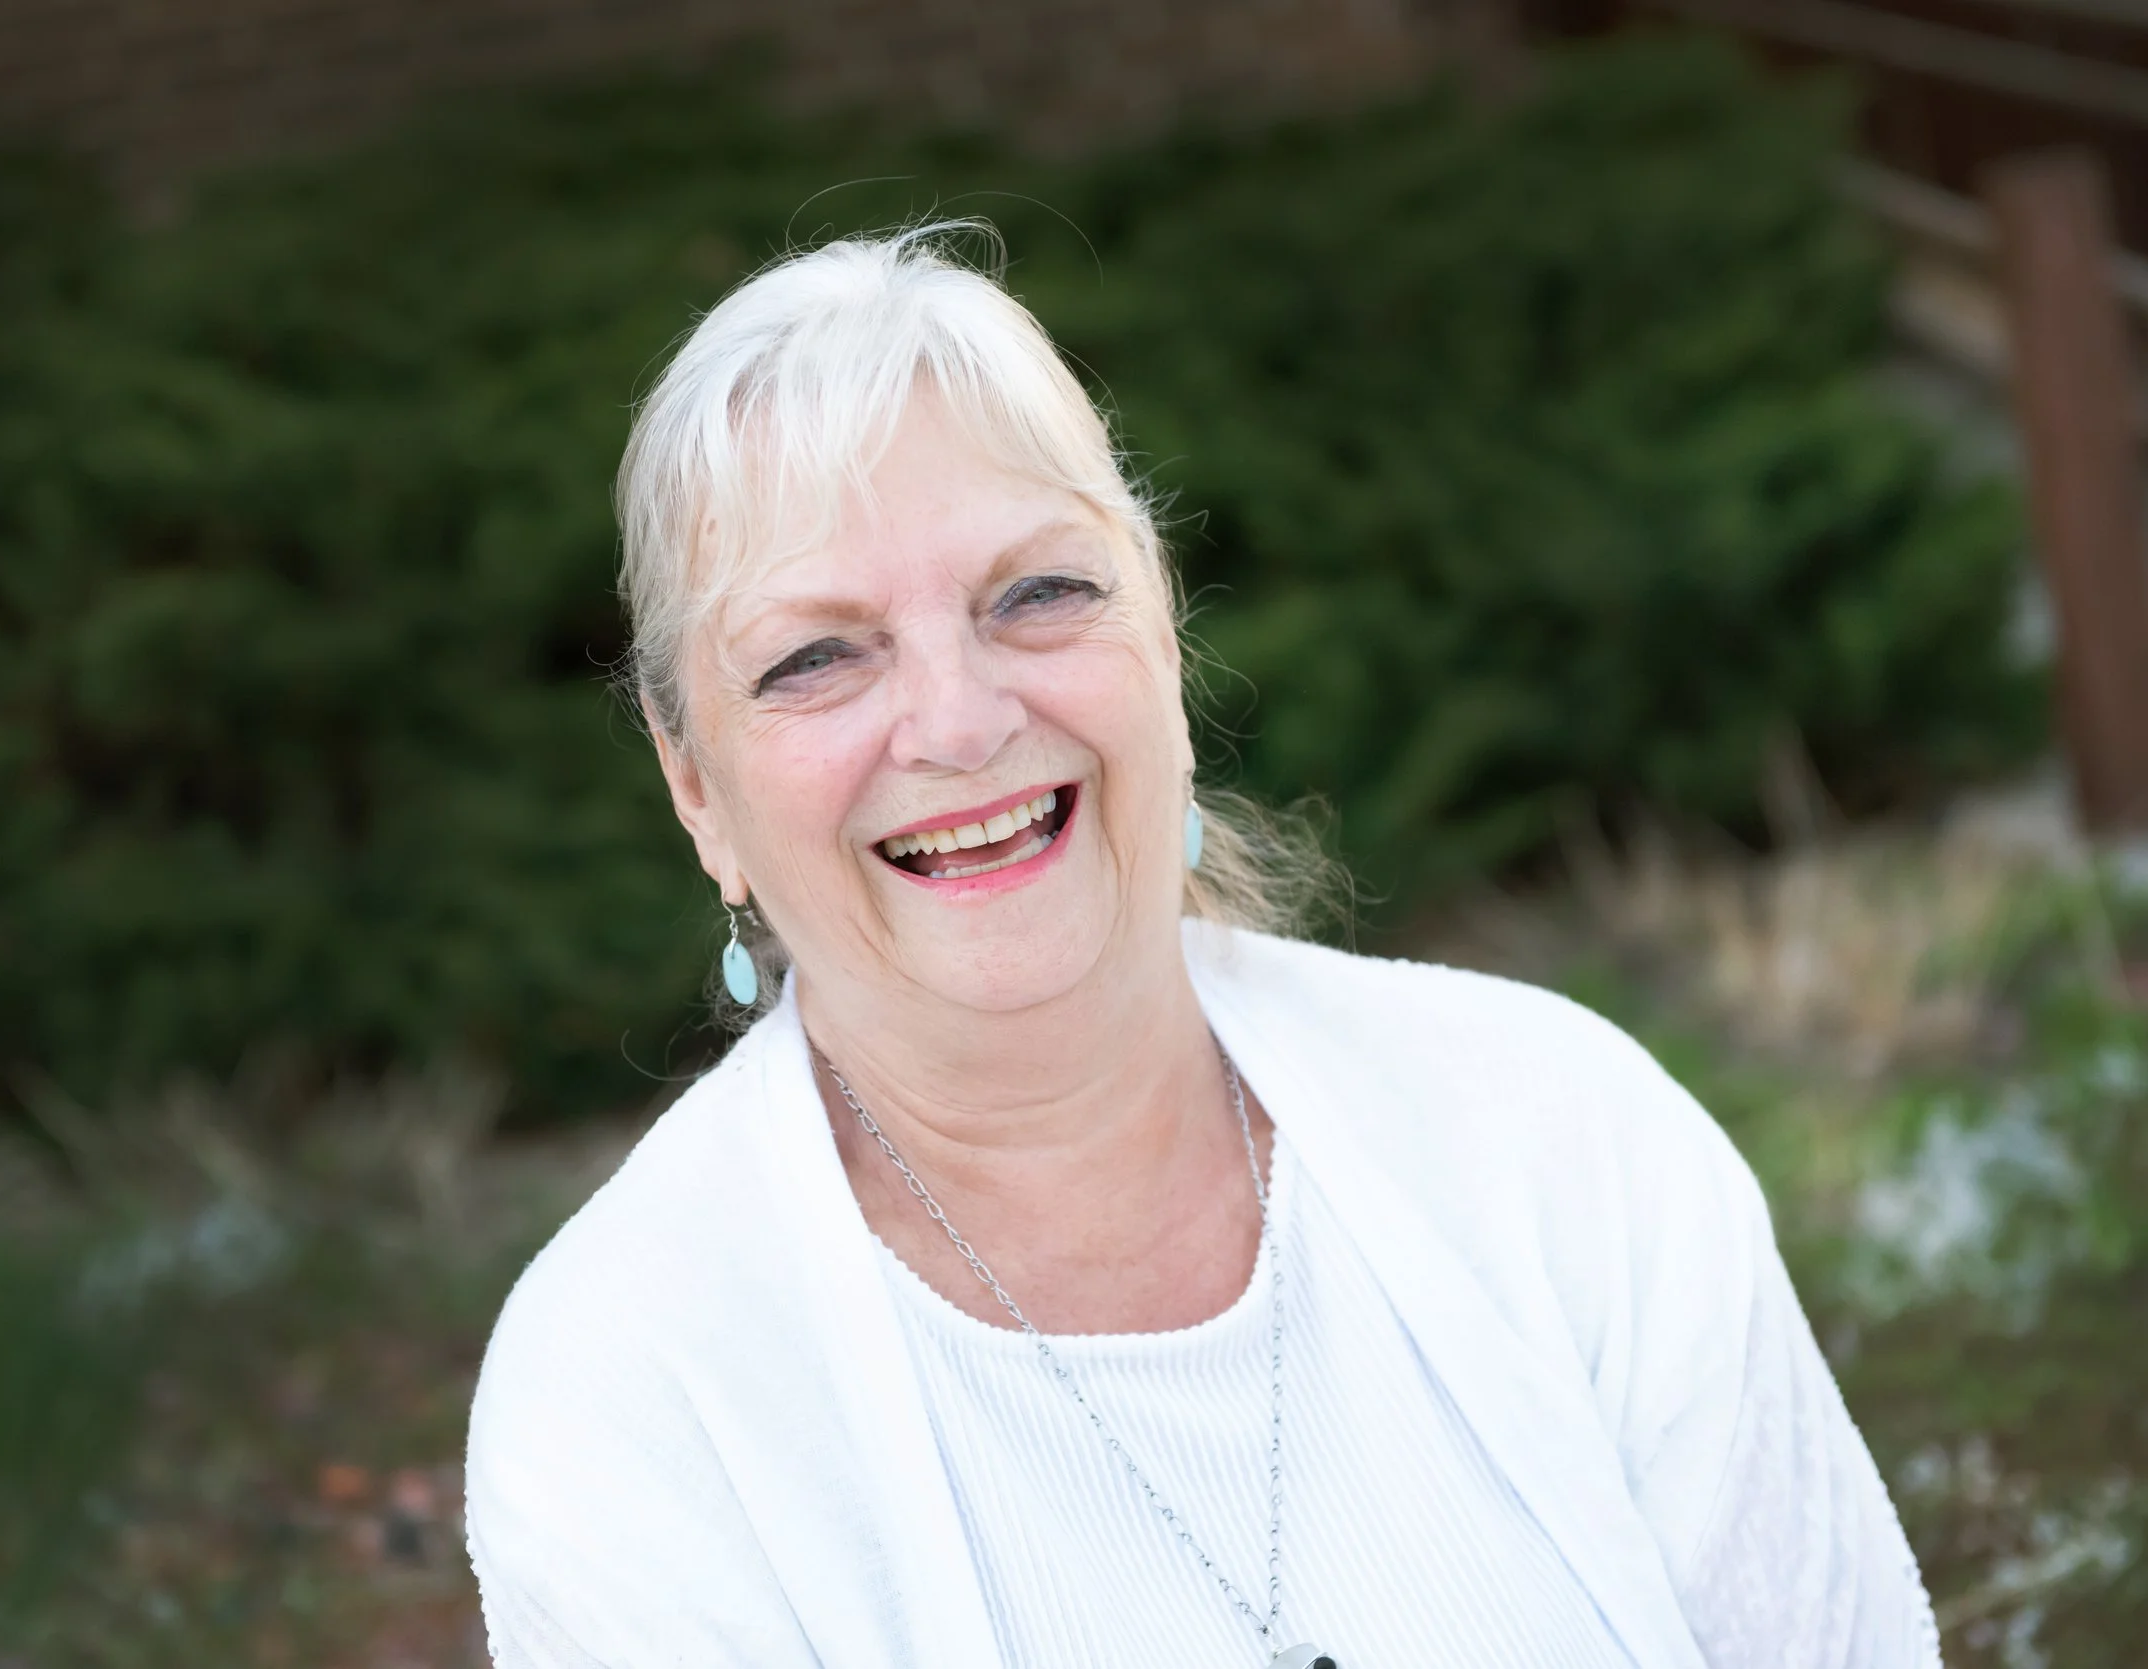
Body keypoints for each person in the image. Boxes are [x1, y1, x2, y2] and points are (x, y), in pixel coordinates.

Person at [463, 227, 1941, 1669]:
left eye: (1037, 594)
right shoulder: (629, 1392)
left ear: (1163, 640)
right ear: (696, 788)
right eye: (816, 658)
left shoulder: (1560, 1138)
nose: (963, 720)